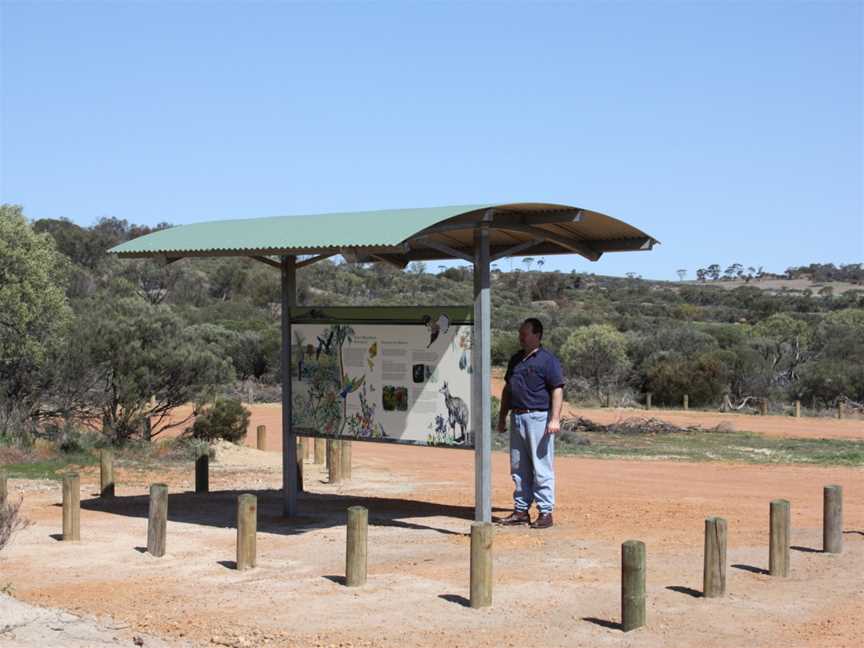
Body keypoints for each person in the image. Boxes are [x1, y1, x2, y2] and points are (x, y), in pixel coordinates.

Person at [495, 318, 564, 529]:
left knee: (541, 466)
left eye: (524, 334)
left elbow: (557, 389)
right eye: (520, 333)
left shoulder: (547, 360)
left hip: (538, 419)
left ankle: (545, 512)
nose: (521, 338)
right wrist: (502, 416)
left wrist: (554, 419)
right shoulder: (516, 359)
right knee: (518, 466)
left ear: (537, 335)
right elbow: (508, 389)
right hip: (517, 417)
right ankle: (521, 510)